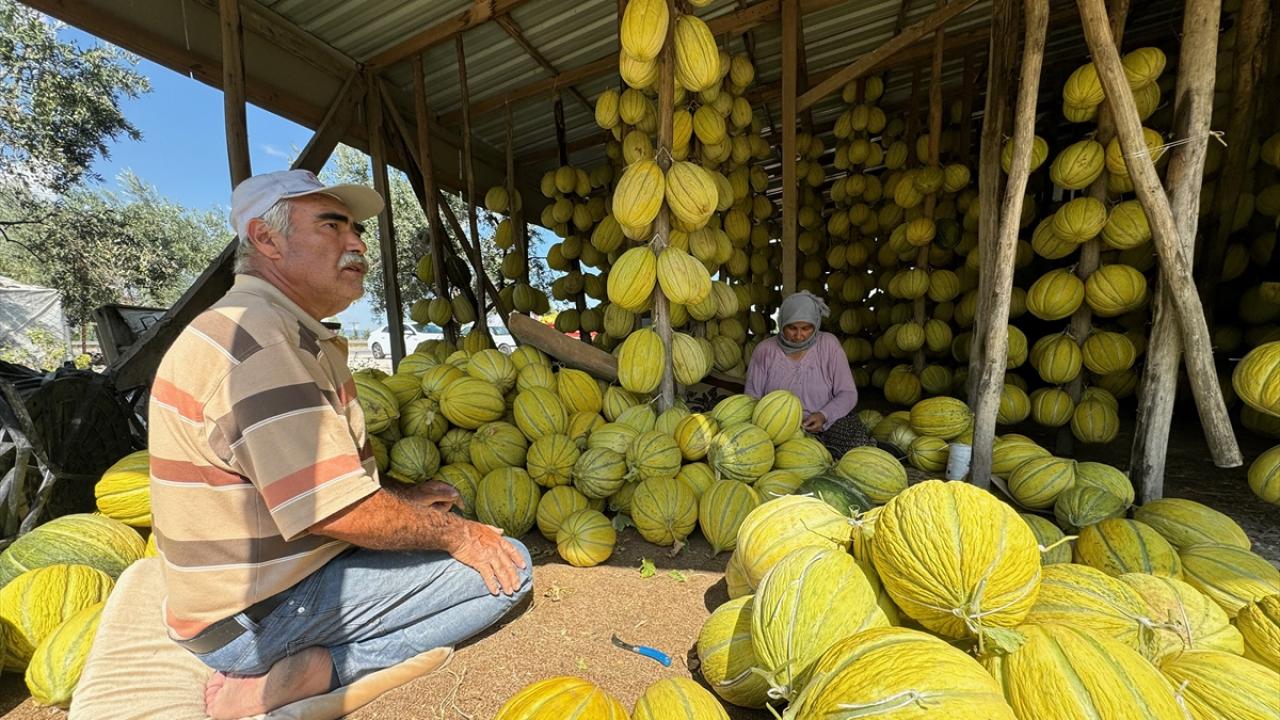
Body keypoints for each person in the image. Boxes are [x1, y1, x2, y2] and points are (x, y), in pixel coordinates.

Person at [148, 169, 532, 720]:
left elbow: (307, 485)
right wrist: (458, 536)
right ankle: (321, 668)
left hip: (256, 596)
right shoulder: (259, 342)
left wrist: (398, 498)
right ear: (267, 239)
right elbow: (332, 509)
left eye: (356, 229)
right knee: (510, 567)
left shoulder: (276, 327)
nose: (356, 243)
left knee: (456, 542)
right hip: (255, 619)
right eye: (332, 226)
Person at [744, 290, 873, 456]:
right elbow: (751, 398)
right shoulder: (765, 350)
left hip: (826, 424)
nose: (799, 336)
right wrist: (775, 425)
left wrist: (823, 415)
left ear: (816, 324)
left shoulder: (828, 345)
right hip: (778, 431)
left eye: (806, 328)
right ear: (782, 323)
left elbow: (847, 393)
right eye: (791, 328)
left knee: (857, 449)